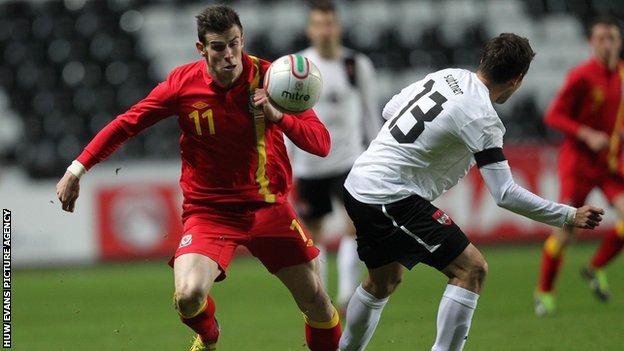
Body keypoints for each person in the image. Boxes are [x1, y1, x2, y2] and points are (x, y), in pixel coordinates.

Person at [55, 5, 341, 351]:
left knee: (317, 303)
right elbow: (128, 123)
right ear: (201, 49)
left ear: (242, 40)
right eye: (219, 47)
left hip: (268, 208)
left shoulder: (273, 80)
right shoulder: (182, 85)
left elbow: (322, 144)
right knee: (188, 296)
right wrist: (76, 169)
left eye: (235, 44)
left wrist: (278, 115)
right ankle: (208, 336)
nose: (230, 55)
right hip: (209, 212)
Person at [337, 33, 604, 351]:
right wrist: (569, 215)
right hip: (389, 196)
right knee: (471, 269)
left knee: (383, 281)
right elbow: (504, 193)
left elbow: (391, 110)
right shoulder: (482, 117)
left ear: (483, 61)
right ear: (517, 80)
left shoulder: (447, 76)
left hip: (359, 183)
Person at [288, 1, 381, 311]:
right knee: (313, 235)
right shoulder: (296, 67)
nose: (325, 30)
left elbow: (371, 115)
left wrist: (377, 155)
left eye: (330, 24)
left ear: (338, 27)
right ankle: (322, 297)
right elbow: (285, 118)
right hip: (308, 164)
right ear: (310, 29)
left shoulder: (356, 65)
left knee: (355, 227)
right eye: (319, 24)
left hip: (349, 161)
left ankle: (345, 295)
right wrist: (286, 164)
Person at [535, 16, 624, 316]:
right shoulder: (582, 76)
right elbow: (553, 116)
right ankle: (544, 291)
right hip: (579, 164)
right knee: (568, 231)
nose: (607, 44)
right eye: (601, 38)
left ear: (619, 42)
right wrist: (586, 133)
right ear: (591, 43)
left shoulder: (622, 74)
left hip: (609, 163)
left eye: (612, 38)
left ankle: (595, 267)